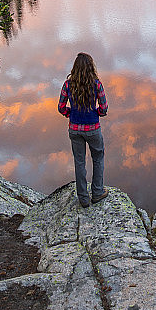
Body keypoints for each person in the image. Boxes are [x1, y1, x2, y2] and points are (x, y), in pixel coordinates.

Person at [58, 52, 108, 207]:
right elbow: (104, 108)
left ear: (75, 68)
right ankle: (97, 192)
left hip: (74, 129)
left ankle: (83, 198)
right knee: (98, 158)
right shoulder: (96, 84)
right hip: (93, 128)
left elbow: (61, 107)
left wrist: (70, 113)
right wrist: (96, 113)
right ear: (91, 67)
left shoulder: (68, 84)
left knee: (79, 162)